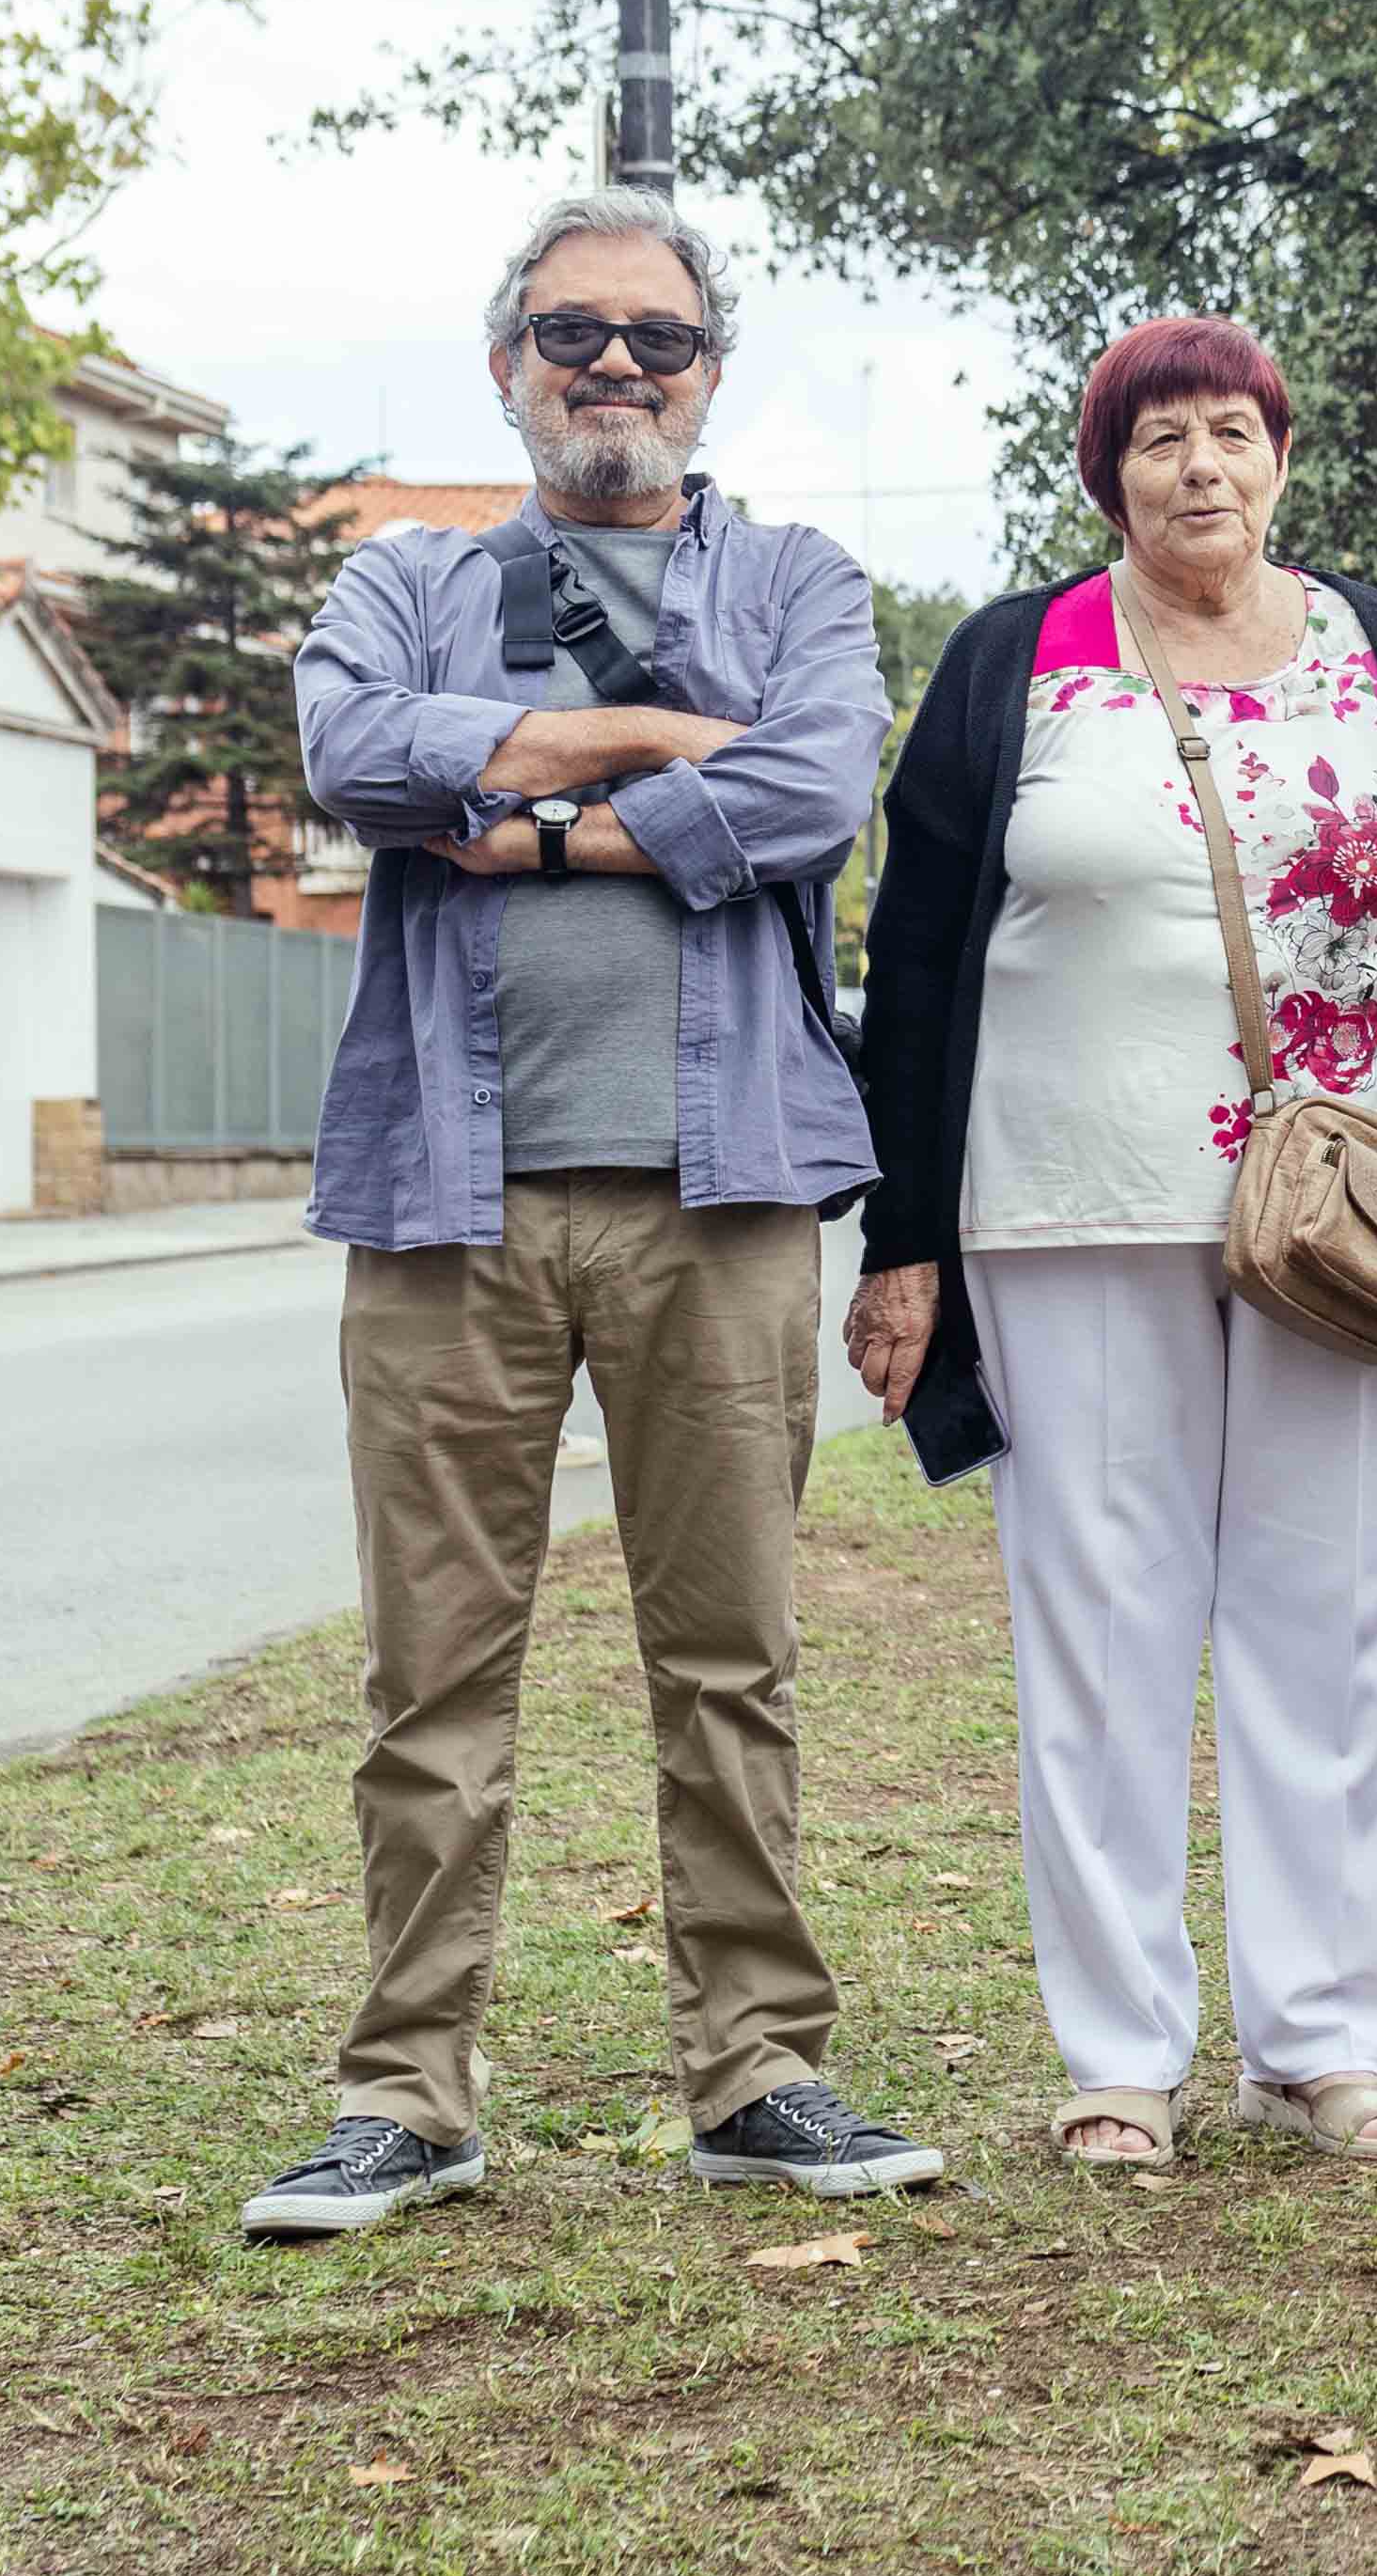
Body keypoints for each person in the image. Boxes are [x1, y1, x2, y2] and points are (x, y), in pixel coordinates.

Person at [260, 186, 931, 2238]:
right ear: (510, 364)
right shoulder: (408, 579)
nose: (615, 370)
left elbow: (819, 780)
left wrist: (521, 814)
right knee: (431, 1669)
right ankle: (408, 2093)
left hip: (719, 1200)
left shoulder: (803, 575)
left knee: (728, 1650)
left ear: (709, 371)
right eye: (575, 337)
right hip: (443, 1199)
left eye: (655, 338)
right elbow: (351, 751)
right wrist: (646, 741)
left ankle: (758, 2069)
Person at [837, 318, 1377, 2172]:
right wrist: (903, 1233)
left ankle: (1320, 2040)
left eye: (1232, 430)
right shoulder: (1016, 659)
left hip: (1344, 1209)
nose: (1200, 467)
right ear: (1111, 475)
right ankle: (1119, 2056)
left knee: (1326, 1615)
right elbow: (911, 959)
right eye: (1160, 438)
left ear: (1282, 455)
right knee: (1103, 1621)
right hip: (1071, 1207)